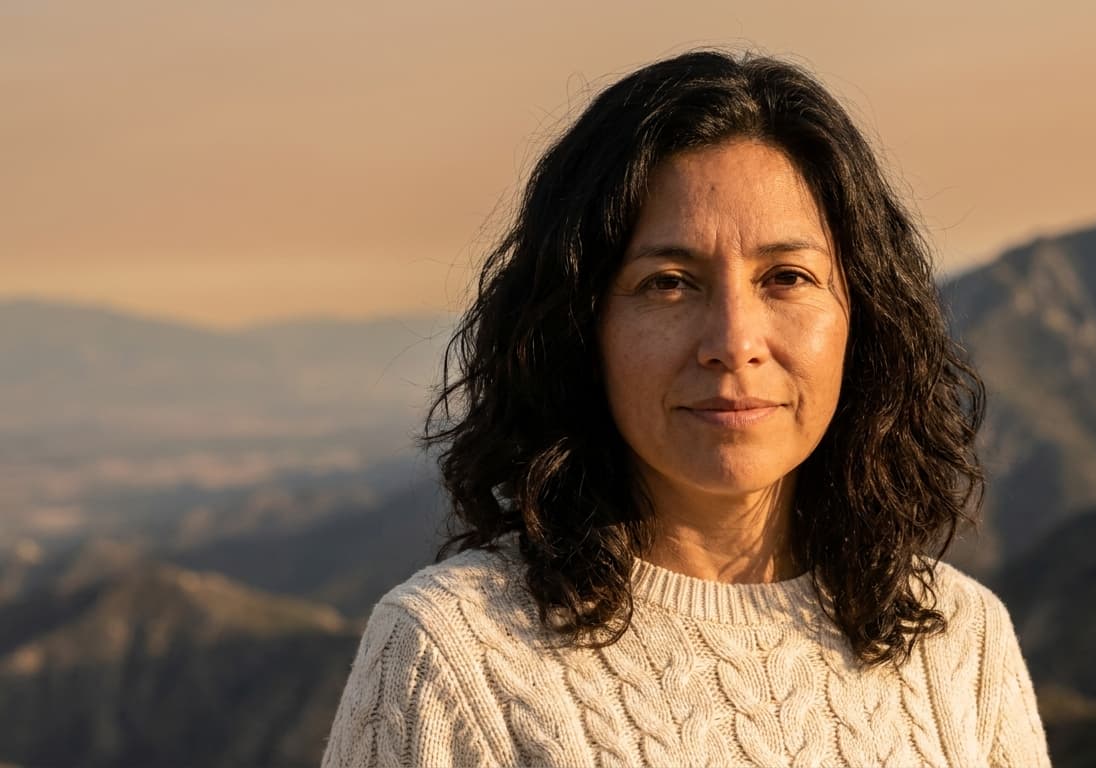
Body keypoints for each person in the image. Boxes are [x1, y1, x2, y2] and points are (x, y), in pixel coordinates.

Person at [321, 49, 1050, 767]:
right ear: (580, 328)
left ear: (861, 318)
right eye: (669, 283)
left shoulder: (962, 642)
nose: (733, 342)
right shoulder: (449, 656)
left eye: (787, 277)